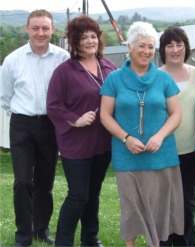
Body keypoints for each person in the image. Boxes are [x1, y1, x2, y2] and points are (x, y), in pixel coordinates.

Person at [100, 21, 184, 247]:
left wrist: (159, 136)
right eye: (141, 46)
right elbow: (105, 115)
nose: (147, 51)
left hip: (161, 154)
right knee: (131, 209)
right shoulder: (114, 79)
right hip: (127, 155)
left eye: (150, 47)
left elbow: (176, 114)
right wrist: (126, 138)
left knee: (159, 210)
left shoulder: (164, 79)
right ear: (129, 46)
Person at [0, 9, 70, 247]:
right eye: (36, 28)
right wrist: (23, 115)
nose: (41, 33)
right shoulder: (12, 61)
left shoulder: (63, 58)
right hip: (22, 125)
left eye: (45, 28)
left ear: (53, 30)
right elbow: (5, 97)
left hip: (51, 125)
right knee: (22, 181)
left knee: (45, 182)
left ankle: (41, 230)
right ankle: (23, 236)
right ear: (27, 29)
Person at [46, 15, 117, 247]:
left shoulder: (109, 68)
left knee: (93, 193)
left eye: (93, 36)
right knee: (78, 195)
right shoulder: (64, 71)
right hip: (76, 144)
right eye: (83, 37)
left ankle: (90, 237)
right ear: (75, 42)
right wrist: (75, 120)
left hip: (103, 142)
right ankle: (64, 242)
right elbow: (54, 105)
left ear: (99, 39)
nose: (89, 41)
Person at [158, 26, 195, 246]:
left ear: (186, 47)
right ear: (162, 49)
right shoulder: (154, 76)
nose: (175, 49)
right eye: (169, 45)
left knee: (186, 205)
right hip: (161, 152)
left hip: (190, 152)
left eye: (179, 44)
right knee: (164, 206)